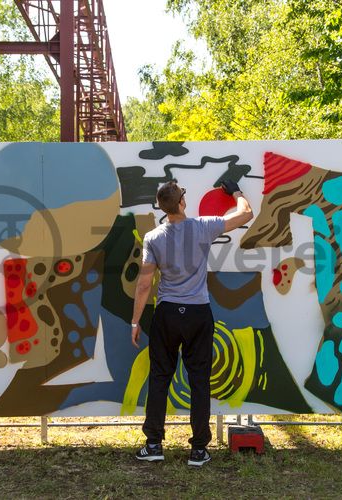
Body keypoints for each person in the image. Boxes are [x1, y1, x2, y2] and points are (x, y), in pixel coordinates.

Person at [130, 180, 254, 466]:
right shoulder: (203, 227)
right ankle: (198, 450)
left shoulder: (153, 237)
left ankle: (153, 445)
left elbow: (144, 284)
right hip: (198, 313)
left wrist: (135, 321)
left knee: (160, 378)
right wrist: (234, 191)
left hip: (168, 313)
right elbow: (246, 213)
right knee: (199, 381)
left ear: (163, 207)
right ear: (182, 203)